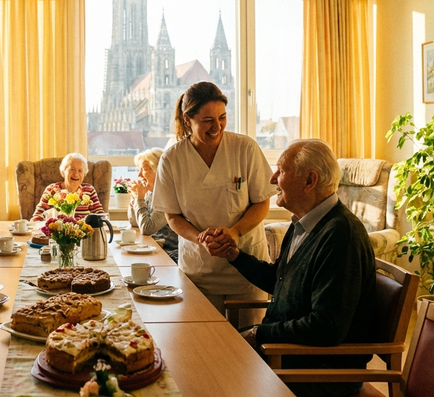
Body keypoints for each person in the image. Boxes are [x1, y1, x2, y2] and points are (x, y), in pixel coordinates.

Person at [207, 139, 376, 397]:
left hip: (315, 370)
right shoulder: (303, 224)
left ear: (309, 180)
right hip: (283, 353)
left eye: (281, 170)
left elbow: (326, 326)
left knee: (208, 369)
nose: (273, 178)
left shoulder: (341, 235)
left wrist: (260, 333)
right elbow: (280, 279)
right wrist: (235, 255)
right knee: (206, 350)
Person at [152, 81, 275, 326]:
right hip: (200, 271)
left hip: (246, 268)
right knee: (204, 342)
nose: (216, 127)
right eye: (207, 120)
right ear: (188, 120)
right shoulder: (173, 159)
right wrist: (200, 238)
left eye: (222, 117)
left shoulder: (245, 148)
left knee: (248, 344)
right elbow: (173, 216)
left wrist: (235, 232)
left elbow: (262, 202)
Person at [128, 148, 178, 263]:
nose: (139, 174)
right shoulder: (150, 193)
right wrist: (134, 199)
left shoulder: (168, 194)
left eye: (144, 170)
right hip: (153, 248)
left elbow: (147, 229)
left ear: (159, 171)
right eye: (139, 170)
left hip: (169, 254)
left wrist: (139, 199)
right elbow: (134, 222)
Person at [30, 152, 106, 221]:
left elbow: (101, 216)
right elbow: (37, 217)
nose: (76, 174)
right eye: (72, 169)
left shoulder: (89, 190)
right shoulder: (51, 190)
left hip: (84, 231)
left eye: (80, 170)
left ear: (84, 174)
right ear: (63, 172)